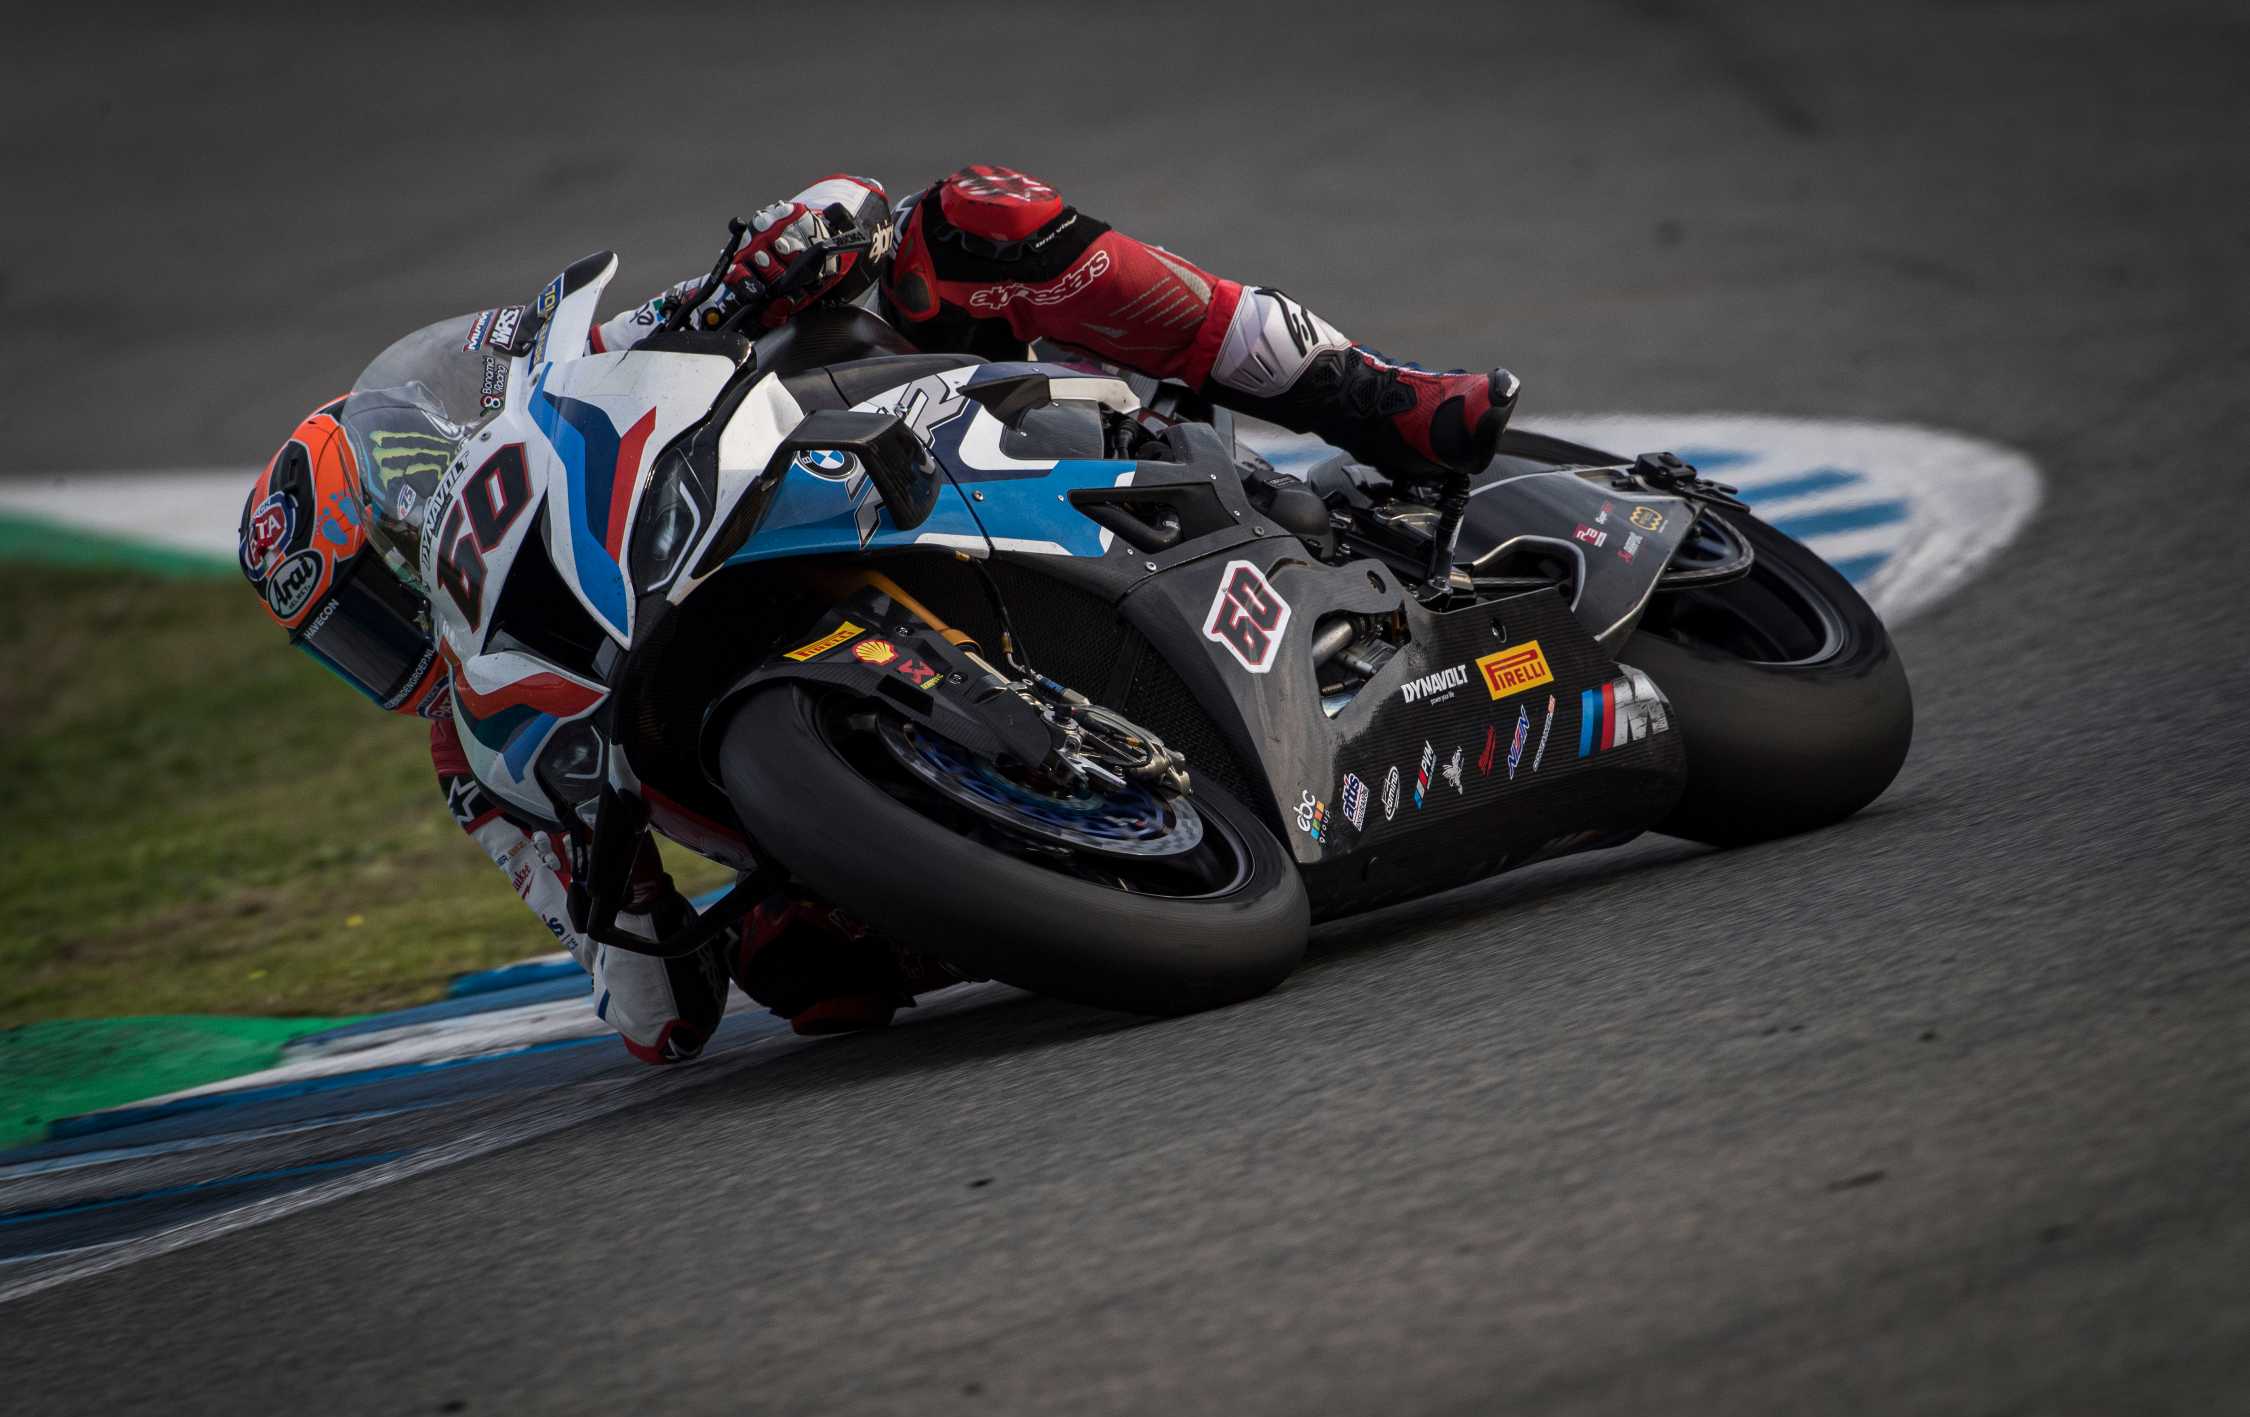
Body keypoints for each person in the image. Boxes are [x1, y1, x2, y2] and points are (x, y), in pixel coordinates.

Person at [238, 165, 1519, 1065]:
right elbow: (649, 1008)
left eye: (371, 601)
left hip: (862, 468)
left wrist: (785, 253)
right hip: (789, 749)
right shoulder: (485, 759)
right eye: (350, 644)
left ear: (410, 506)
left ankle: (1375, 396)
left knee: (970, 217)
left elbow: (804, 236)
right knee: (808, 976)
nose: (389, 644)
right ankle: (1051, 861)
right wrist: (636, 924)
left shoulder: (566, 385)